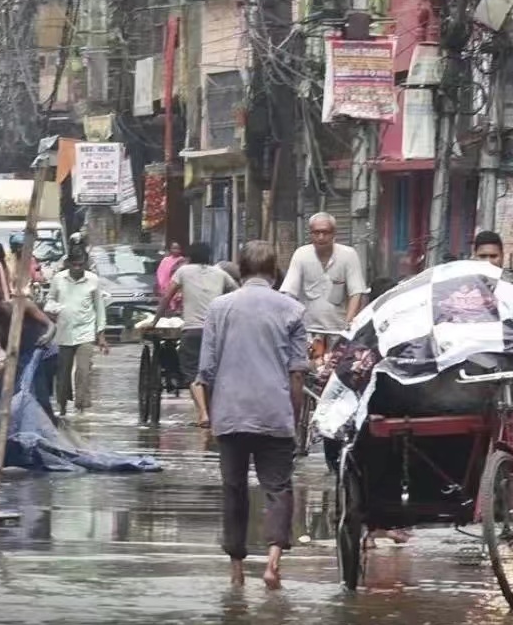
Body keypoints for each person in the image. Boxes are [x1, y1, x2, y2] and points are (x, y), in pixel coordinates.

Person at [197, 240, 307, 590]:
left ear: (241, 271)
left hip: (230, 413)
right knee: (278, 488)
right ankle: (273, 562)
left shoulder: (219, 308)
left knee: (234, 489)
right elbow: (298, 373)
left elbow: (206, 371)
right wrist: (293, 415)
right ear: (275, 272)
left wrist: (208, 416)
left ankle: (236, 570)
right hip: (274, 412)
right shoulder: (293, 309)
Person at [280, 212, 366, 473]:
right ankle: (294, 430)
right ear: (310, 234)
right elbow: (289, 292)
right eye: (316, 232)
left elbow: (357, 292)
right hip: (308, 332)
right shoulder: (301, 255)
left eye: (325, 232)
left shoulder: (348, 255)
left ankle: (340, 431)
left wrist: (349, 325)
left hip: (340, 333)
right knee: (299, 377)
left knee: (341, 382)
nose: (320, 237)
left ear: (333, 234)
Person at [151, 242, 238, 425]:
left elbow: (167, 296)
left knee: (192, 373)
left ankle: (203, 413)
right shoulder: (220, 273)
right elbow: (238, 293)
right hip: (216, 332)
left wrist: (155, 320)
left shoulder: (183, 272)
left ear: (190, 256)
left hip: (192, 330)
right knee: (213, 372)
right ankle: (215, 413)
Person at [0, 283, 57, 420]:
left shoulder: (22, 305)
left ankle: (50, 425)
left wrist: (48, 336)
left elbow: (50, 325)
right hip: (19, 361)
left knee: (40, 397)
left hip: (44, 356)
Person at [49, 247, 109, 416]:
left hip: (85, 333)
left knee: (83, 371)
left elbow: (99, 308)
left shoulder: (93, 280)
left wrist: (101, 335)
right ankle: (61, 406)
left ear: (85, 264)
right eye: (74, 265)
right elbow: (50, 300)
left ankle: (81, 406)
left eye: (80, 265)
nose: (77, 268)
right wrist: (52, 310)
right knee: (62, 373)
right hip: (63, 332)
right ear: (68, 263)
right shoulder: (58, 279)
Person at [156, 242, 185, 315]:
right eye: (174, 248)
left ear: (181, 250)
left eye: (178, 248)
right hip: (164, 287)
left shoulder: (181, 260)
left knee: (175, 307)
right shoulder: (165, 260)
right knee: (165, 306)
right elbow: (160, 272)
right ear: (170, 249)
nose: (176, 250)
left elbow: (179, 274)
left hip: (175, 286)